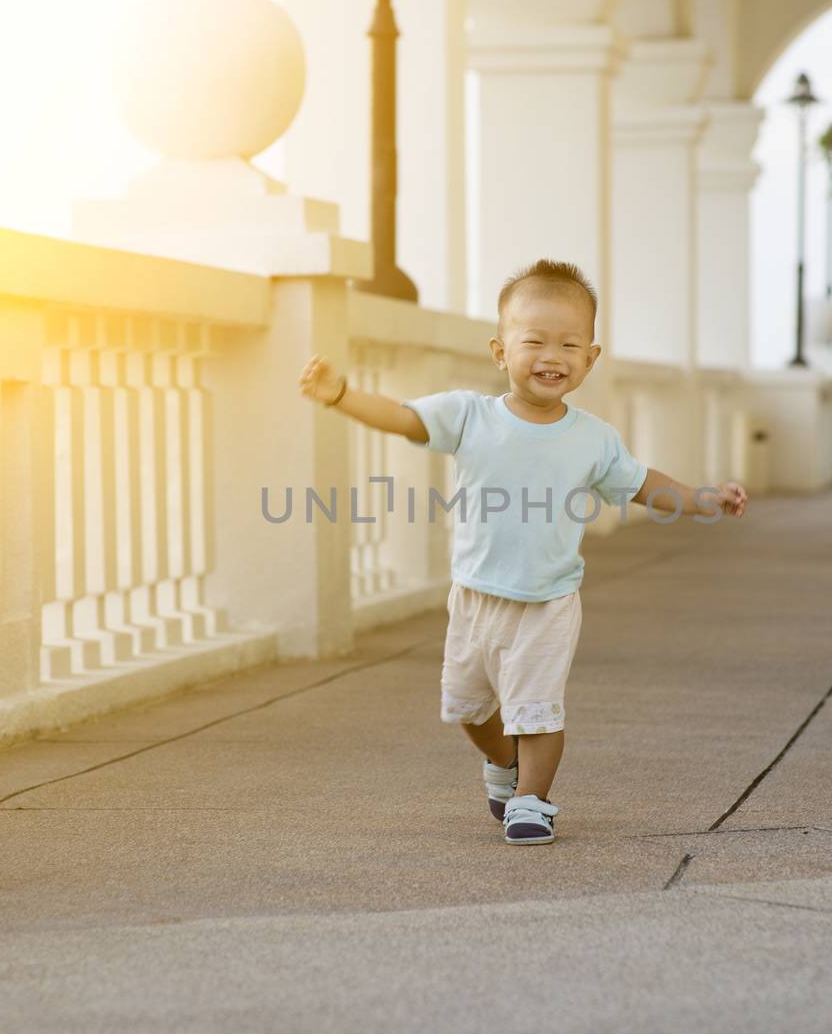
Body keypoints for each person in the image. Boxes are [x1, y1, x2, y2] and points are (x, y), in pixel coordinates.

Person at [298, 259, 747, 845]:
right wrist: (341, 395)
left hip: (547, 600)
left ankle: (533, 799)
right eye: (533, 341)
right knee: (469, 708)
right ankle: (504, 766)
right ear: (500, 351)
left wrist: (700, 498)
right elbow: (405, 419)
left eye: (569, 344)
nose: (551, 356)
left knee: (536, 709)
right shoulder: (470, 416)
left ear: (591, 358)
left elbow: (642, 484)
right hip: (476, 597)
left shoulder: (591, 437)